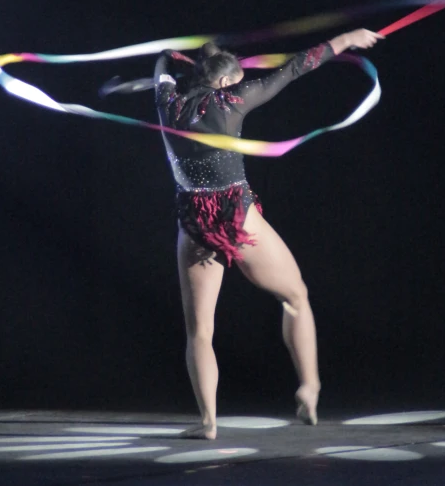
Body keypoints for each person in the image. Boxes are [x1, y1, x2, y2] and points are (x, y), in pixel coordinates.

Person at [154, 29, 383, 440]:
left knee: (199, 332)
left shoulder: (166, 102)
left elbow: (163, 65)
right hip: (237, 215)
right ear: (225, 83)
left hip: (194, 221)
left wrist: (178, 60)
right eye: (236, 80)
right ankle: (309, 387)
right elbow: (296, 66)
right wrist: (348, 38)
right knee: (295, 297)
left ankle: (208, 422)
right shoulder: (231, 100)